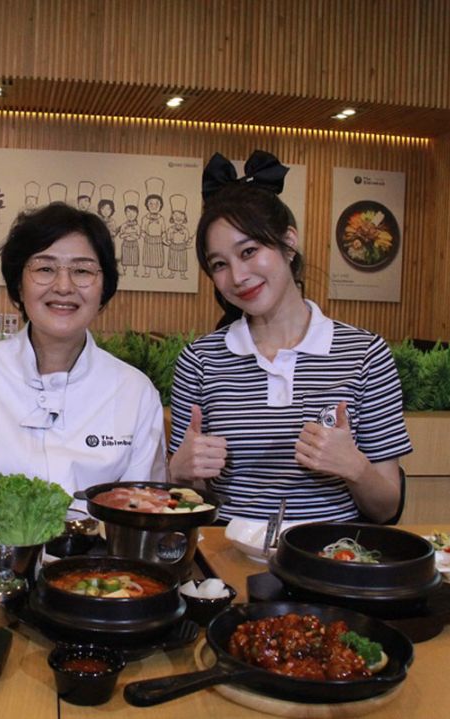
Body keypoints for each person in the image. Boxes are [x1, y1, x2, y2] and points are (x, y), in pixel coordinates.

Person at [167, 151, 411, 524]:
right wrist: (179, 474)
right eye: (219, 264)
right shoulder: (199, 360)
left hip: (330, 552)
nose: (238, 276)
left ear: (288, 242)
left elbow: (386, 507)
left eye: (249, 251)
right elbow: (185, 499)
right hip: (224, 551)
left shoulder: (366, 354)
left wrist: (355, 467)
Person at [0, 202, 167, 518]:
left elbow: (142, 514)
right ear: (19, 283)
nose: (63, 286)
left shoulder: (134, 391)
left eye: (82, 271)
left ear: (104, 288)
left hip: (96, 551)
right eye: (45, 269)